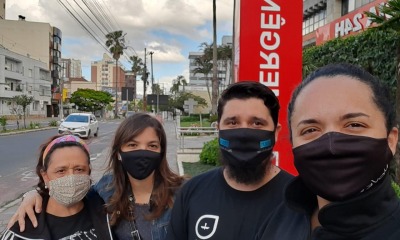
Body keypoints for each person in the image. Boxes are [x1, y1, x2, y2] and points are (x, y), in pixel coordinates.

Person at [9, 113, 185, 240]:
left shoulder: (183, 194)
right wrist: (33, 195)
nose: (142, 152)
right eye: (132, 144)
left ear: (161, 151)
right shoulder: (106, 189)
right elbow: (69, 194)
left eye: (152, 145)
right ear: (118, 153)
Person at [166, 81, 307, 240]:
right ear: (219, 130)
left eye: (257, 123)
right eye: (233, 123)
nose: (244, 134)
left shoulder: (302, 201)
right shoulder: (191, 193)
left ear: (275, 132)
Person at [279, 63, 400, 239]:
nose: (332, 146)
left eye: (354, 125)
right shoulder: (277, 221)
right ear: (293, 145)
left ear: (391, 139)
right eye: (311, 130)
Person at [1, 134, 113, 240]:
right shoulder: (22, 228)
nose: (71, 177)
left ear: (88, 171)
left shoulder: (105, 209)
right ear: (45, 176)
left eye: (79, 169)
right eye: (61, 171)